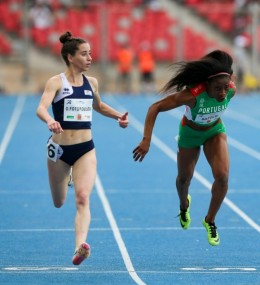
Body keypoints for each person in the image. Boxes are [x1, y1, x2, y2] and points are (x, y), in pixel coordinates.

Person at [36, 31, 129, 265]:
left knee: (83, 197)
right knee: (59, 202)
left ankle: (80, 247)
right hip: (59, 151)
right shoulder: (56, 82)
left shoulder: (92, 82)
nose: (90, 58)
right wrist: (49, 120)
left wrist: (118, 115)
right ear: (70, 57)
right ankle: (66, 177)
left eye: (90, 54)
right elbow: (41, 108)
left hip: (85, 149)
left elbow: (98, 106)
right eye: (84, 54)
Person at [133, 50, 236, 246]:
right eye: (217, 89)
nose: (223, 93)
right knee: (183, 179)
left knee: (222, 176)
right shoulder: (192, 95)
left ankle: (210, 220)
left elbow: (226, 80)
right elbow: (155, 107)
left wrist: (226, 80)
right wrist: (147, 140)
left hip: (214, 131)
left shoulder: (231, 88)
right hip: (189, 133)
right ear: (206, 85)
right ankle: (183, 205)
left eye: (226, 87)